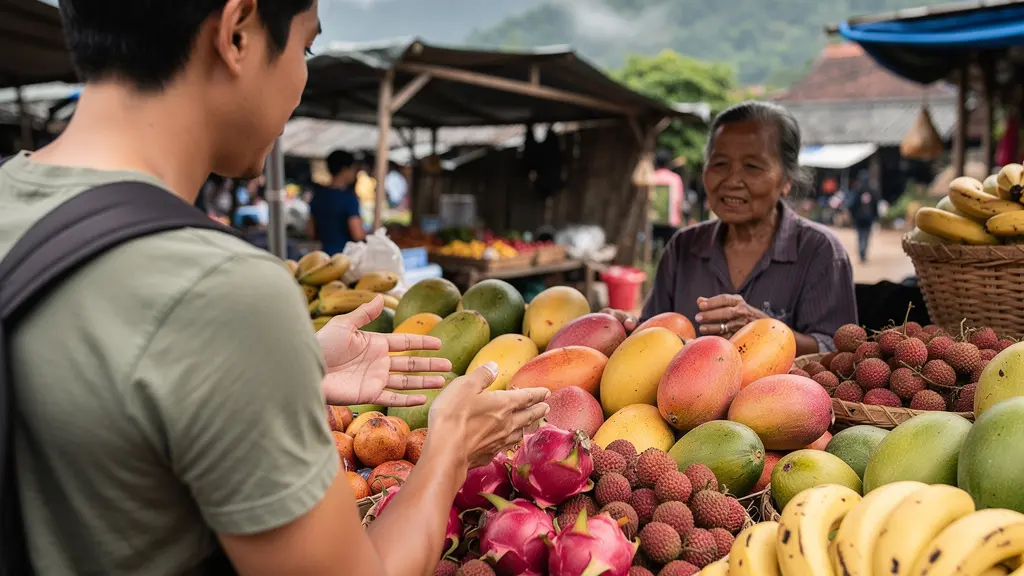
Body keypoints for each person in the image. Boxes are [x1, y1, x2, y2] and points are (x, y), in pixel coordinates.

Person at [0, 1, 549, 575]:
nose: (301, 81)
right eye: (305, 47)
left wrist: (288, 372)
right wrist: (449, 450)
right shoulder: (222, 291)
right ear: (238, 32)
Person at [605, 101, 857, 355]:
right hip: (686, 395)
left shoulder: (821, 252)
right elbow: (655, 333)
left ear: (787, 180)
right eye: (720, 164)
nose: (732, 180)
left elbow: (838, 352)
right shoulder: (683, 247)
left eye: (752, 167)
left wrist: (763, 330)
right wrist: (627, 329)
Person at [308, 149, 365, 254]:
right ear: (345, 169)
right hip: (346, 257)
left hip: (324, 256)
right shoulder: (349, 199)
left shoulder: (318, 195)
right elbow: (357, 234)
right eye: (353, 169)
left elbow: (311, 232)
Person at [847, 171, 880, 263]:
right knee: (866, 236)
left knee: (860, 236)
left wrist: (852, 215)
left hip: (858, 218)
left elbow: (851, 204)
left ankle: (861, 253)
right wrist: (875, 217)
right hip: (868, 218)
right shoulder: (872, 190)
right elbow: (876, 204)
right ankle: (864, 253)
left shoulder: (857, 189)